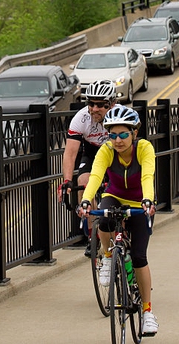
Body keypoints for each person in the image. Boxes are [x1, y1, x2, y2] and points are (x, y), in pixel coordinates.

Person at [76, 105, 159, 337]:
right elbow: (95, 176)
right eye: (112, 135)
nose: (118, 140)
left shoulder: (144, 148)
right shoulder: (106, 151)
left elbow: (147, 176)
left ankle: (147, 312)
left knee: (140, 257)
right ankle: (109, 258)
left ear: (134, 133)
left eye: (123, 134)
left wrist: (148, 201)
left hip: (139, 203)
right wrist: (86, 201)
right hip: (114, 197)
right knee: (102, 219)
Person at [60, 80, 119, 255]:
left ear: (112, 104)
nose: (94, 109)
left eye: (100, 105)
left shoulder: (120, 115)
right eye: (91, 103)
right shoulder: (81, 118)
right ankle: (94, 236)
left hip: (115, 153)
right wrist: (67, 181)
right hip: (92, 152)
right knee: (84, 182)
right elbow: (70, 153)